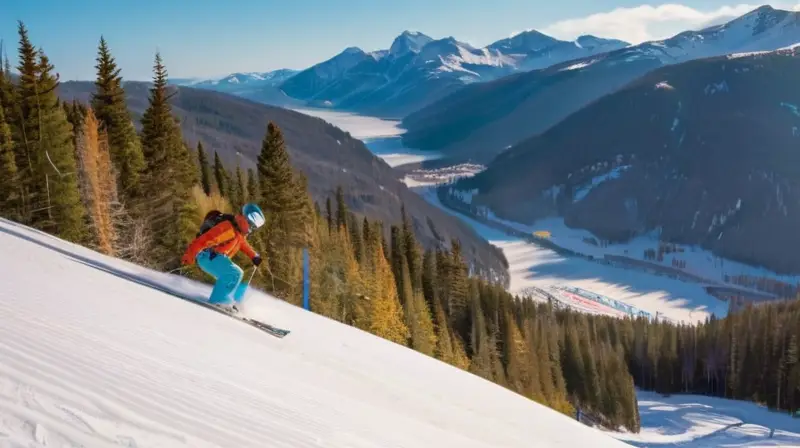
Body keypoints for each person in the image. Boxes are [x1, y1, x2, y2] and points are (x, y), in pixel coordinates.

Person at [181, 203, 265, 309]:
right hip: (208, 256)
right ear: (244, 219)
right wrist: (190, 254)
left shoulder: (238, 232)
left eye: (253, 227)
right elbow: (204, 240)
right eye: (251, 225)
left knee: (240, 274)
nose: (251, 230)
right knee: (234, 272)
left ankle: (235, 303)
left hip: (216, 257)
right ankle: (218, 301)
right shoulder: (227, 228)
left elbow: (243, 244)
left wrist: (254, 256)